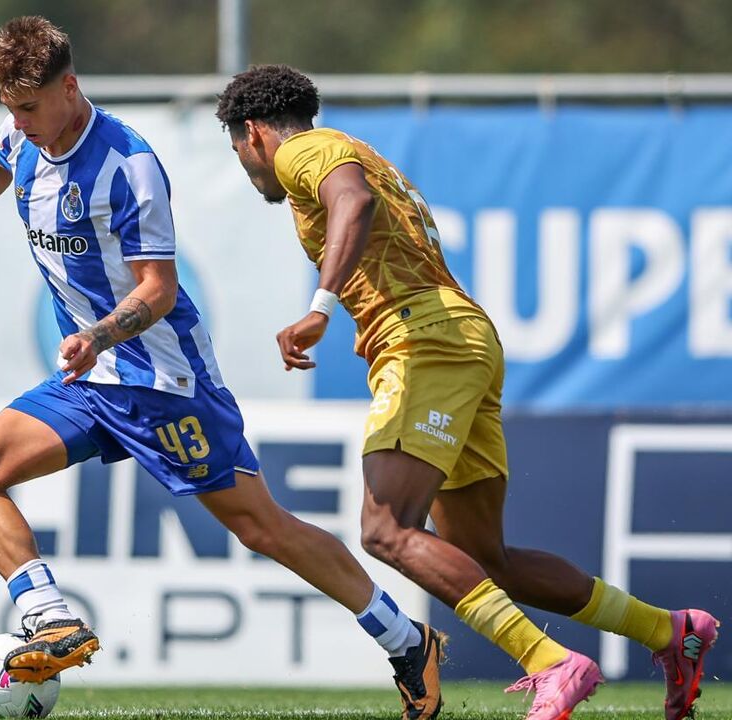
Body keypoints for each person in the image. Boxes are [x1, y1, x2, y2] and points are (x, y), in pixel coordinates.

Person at [0, 17, 447, 717]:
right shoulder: (21, 135)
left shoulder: (127, 165)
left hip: (163, 382)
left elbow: (157, 289)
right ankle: (51, 618)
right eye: (10, 108)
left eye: (29, 107)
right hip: (91, 382)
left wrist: (98, 334)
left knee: (261, 527)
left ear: (70, 87)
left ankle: (406, 640)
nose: (20, 123)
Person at [216, 63, 719, 720]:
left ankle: (550, 661)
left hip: (423, 340)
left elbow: (352, 202)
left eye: (238, 148)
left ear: (254, 132)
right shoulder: (359, 152)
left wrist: (320, 306)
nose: (246, 165)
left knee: (386, 530)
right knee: (485, 558)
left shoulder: (303, 151)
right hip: (462, 337)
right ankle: (669, 630)